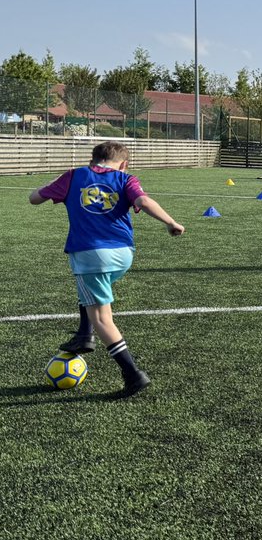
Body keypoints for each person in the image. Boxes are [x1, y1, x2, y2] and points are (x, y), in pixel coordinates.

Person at [28, 140, 185, 396]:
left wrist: (56, 181)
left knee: (102, 317)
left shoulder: (74, 176)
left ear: (92, 160)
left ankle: (133, 375)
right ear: (124, 164)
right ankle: (83, 334)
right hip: (123, 254)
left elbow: (34, 198)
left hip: (90, 254)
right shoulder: (126, 179)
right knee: (90, 292)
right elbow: (143, 201)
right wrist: (171, 222)